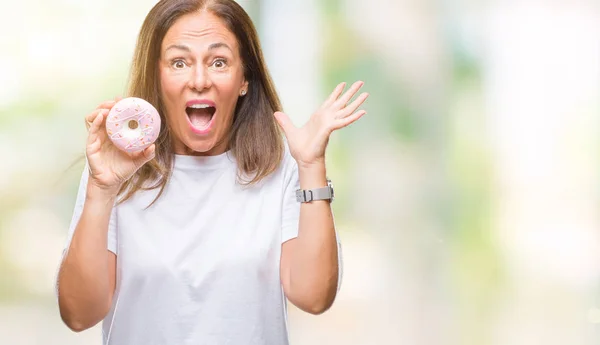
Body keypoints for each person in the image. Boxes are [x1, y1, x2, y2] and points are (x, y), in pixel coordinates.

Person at [56, 0, 369, 344]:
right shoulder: (115, 171)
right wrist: (101, 191)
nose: (200, 80)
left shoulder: (282, 169)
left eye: (219, 62)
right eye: (179, 62)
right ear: (156, 77)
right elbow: (79, 314)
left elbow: (313, 297)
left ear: (244, 79)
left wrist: (311, 167)